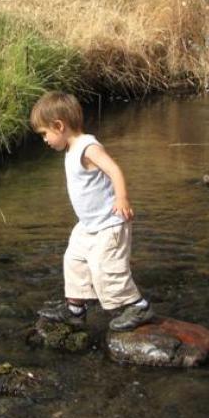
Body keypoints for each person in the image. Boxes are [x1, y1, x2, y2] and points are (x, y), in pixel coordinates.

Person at [30, 91, 154, 331]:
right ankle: (75, 308)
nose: (44, 140)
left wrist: (122, 198)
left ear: (59, 126)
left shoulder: (87, 147)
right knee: (74, 259)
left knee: (105, 266)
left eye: (45, 134)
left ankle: (138, 305)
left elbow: (114, 170)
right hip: (88, 224)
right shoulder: (71, 148)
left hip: (109, 223)